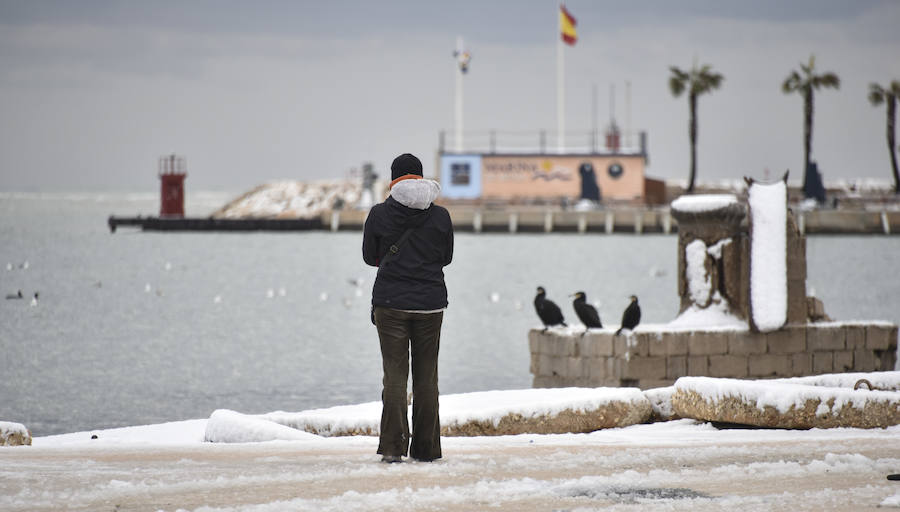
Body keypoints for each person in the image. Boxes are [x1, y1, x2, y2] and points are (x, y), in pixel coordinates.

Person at [362, 153, 454, 463]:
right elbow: (446, 257)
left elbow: (369, 257)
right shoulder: (441, 216)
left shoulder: (379, 213)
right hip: (430, 306)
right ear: (420, 177)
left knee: (395, 377)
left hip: (390, 305)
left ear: (394, 178)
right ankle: (426, 450)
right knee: (427, 378)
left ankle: (392, 447)